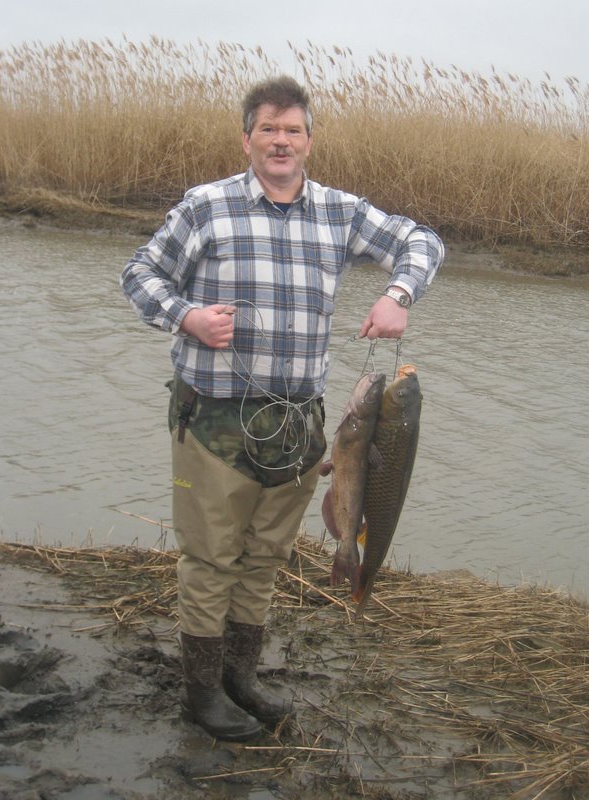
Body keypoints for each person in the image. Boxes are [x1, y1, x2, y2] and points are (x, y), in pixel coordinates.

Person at [120, 76, 444, 742]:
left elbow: (424, 243)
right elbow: (140, 274)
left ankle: (240, 678)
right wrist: (186, 317)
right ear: (247, 138)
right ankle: (201, 694)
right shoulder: (205, 207)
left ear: (308, 142)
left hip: (298, 426)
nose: (280, 141)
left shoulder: (339, 212)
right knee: (211, 559)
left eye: (292, 130)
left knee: (265, 558)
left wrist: (399, 297)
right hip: (212, 418)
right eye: (267, 128)